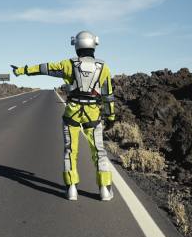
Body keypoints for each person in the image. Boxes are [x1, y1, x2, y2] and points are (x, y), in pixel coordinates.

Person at [11, 31, 116, 201]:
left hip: (72, 114)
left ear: (77, 45)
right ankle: (104, 189)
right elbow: (108, 96)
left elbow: (45, 68)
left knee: (70, 150)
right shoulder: (104, 67)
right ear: (93, 45)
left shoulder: (69, 64)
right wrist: (111, 117)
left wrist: (23, 70)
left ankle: (72, 189)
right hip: (93, 115)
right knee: (98, 151)